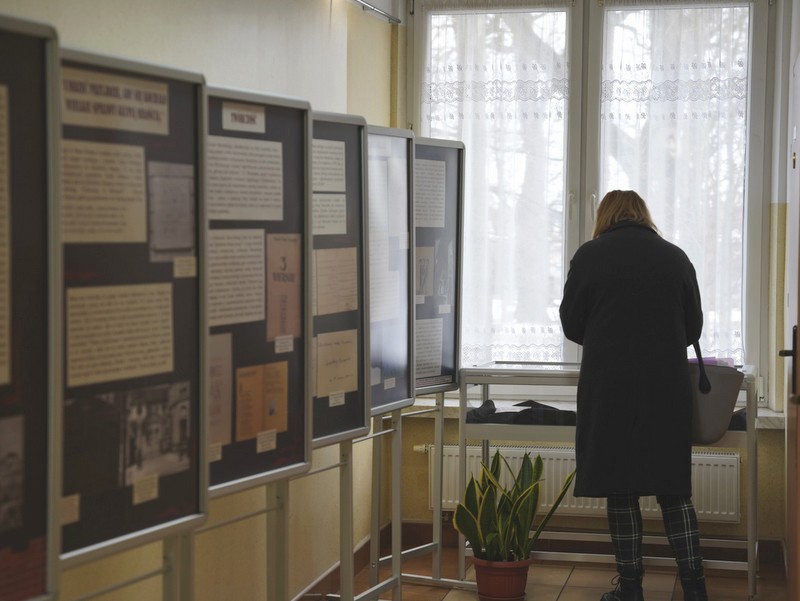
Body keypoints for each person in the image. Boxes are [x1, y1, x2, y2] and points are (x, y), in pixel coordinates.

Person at [559, 190, 707, 601]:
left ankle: (630, 589)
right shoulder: (675, 257)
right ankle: (695, 589)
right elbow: (693, 327)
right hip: (666, 387)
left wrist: (607, 336)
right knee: (673, 489)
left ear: (604, 216)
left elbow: (571, 324)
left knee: (620, 488)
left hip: (609, 386)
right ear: (643, 214)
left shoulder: (589, 256)